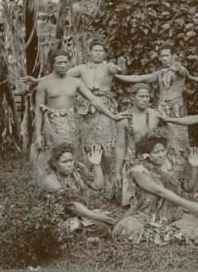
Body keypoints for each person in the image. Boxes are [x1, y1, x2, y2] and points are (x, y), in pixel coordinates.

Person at [25, 40, 126, 194]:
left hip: (72, 122)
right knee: (53, 153)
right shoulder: (44, 84)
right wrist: (38, 134)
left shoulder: (75, 82)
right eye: (59, 62)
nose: (62, 65)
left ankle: (75, 185)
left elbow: (94, 100)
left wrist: (112, 115)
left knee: (73, 153)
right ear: (52, 63)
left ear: (69, 63)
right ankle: (53, 189)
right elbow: (38, 111)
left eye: (65, 62)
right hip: (52, 123)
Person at [113, 128, 198, 244]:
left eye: (162, 151)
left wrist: (194, 167)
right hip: (146, 216)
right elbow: (159, 191)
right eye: (156, 152)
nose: (161, 155)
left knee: (197, 228)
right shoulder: (139, 171)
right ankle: (160, 234)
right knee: (129, 228)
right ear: (146, 155)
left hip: (171, 215)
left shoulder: (169, 167)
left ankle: (165, 233)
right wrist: (188, 205)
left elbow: (189, 188)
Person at [114, 43, 190, 155]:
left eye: (167, 55)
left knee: (179, 137)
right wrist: (117, 76)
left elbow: (183, 72)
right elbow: (141, 78)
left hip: (176, 107)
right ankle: (151, 157)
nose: (164, 58)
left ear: (173, 55)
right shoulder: (160, 73)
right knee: (158, 135)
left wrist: (178, 68)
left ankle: (182, 164)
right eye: (162, 56)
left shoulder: (180, 70)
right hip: (161, 108)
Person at [41, 143, 116, 240]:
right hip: (60, 219)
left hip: (79, 214)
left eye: (71, 161)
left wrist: (97, 165)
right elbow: (73, 206)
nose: (69, 165)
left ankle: (88, 236)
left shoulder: (77, 170)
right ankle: (81, 239)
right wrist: (96, 216)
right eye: (64, 162)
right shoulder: (51, 182)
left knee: (108, 221)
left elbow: (97, 186)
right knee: (103, 226)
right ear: (55, 163)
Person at [113, 83, 165, 206]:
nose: (145, 99)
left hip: (153, 159)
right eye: (141, 96)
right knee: (135, 199)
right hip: (133, 160)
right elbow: (120, 146)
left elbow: (166, 136)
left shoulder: (156, 115)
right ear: (132, 98)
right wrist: (117, 172)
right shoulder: (124, 119)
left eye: (147, 96)